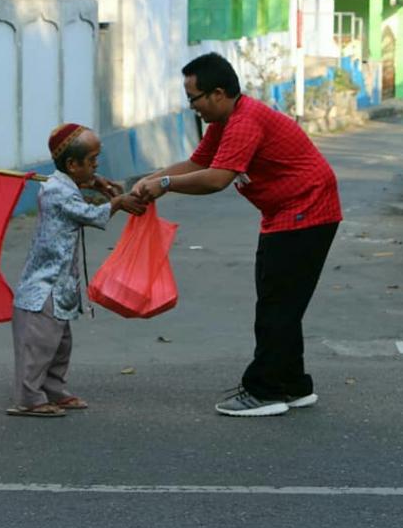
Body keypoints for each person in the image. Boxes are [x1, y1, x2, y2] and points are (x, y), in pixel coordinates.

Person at [133, 52, 342, 418]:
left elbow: (216, 179)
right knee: (282, 302)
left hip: (306, 211)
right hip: (287, 213)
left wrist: (164, 184)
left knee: (277, 305)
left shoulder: (245, 122)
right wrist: (148, 181)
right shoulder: (225, 121)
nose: (192, 107)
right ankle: (292, 384)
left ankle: (265, 391)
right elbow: (198, 164)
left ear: (217, 93)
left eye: (194, 98)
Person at [8, 123, 145, 417]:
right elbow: (89, 214)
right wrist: (118, 202)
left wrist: (93, 182)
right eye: (92, 161)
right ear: (72, 164)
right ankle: (28, 398)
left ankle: (53, 390)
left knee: (60, 344)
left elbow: (77, 189)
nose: (96, 166)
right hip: (42, 289)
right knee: (39, 346)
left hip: (59, 285)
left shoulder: (62, 184)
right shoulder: (56, 192)